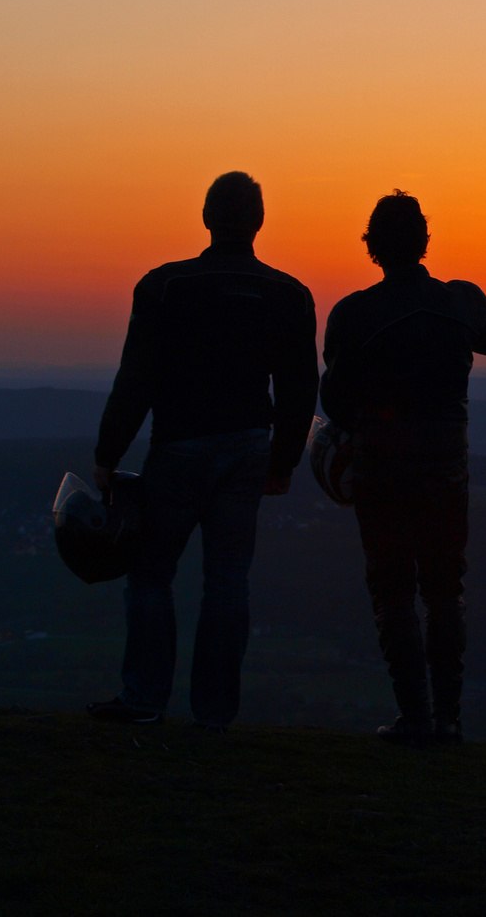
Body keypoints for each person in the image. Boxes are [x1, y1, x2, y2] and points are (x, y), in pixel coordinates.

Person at [87, 171, 318, 731]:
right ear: (259, 221)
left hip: (179, 443)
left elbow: (135, 378)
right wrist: (283, 460)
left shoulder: (165, 286)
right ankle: (214, 713)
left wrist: (107, 452)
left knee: (149, 572)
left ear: (207, 218)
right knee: (228, 579)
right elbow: (298, 386)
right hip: (247, 447)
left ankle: (144, 699)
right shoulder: (288, 294)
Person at [320, 190, 486, 744]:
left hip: (381, 469)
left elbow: (335, 399)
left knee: (392, 589)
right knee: (445, 588)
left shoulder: (352, 314)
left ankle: (415, 719)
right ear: (424, 241)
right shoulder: (461, 302)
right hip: (447, 467)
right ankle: (448, 719)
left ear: (372, 247)